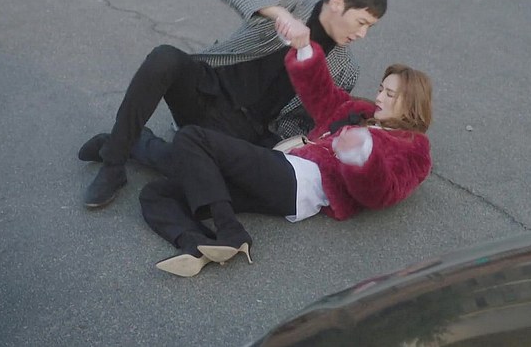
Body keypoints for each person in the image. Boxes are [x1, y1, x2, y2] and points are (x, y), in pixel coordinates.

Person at [78, 0, 387, 208]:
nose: (362, 34)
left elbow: (311, 123)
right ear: (337, 3)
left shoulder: (345, 68)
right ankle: (114, 163)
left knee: (210, 181)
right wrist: (279, 15)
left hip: (247, 133)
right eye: (361, 22)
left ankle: (131, 141)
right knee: (164, 58)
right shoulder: (289, 1)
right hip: (208, 89)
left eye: (369, 27)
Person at [139, 31, 433, 278]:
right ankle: (194, 243)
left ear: (411, 103)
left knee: (193, 138)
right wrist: (305, 51)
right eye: (381, 89)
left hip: (302, 179)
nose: (379, 97)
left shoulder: (413, 146)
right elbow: (323, 96)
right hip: (284, 173)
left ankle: (230, 231)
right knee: (156, 193)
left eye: (390, 94)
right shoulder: (361, 112)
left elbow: (383, 192)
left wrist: (361, 157)